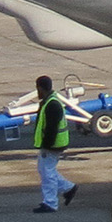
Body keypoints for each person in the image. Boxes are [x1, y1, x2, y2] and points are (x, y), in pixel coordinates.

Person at [28, 75, 78, 214]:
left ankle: (50, 203)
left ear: (40, 88)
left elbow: (51, 128)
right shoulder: (50, 101)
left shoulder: (52, 104)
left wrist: (46, 145)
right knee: (45, 169)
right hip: (55, 144)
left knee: (47, 173)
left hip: (53, 145)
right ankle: (68, 188)